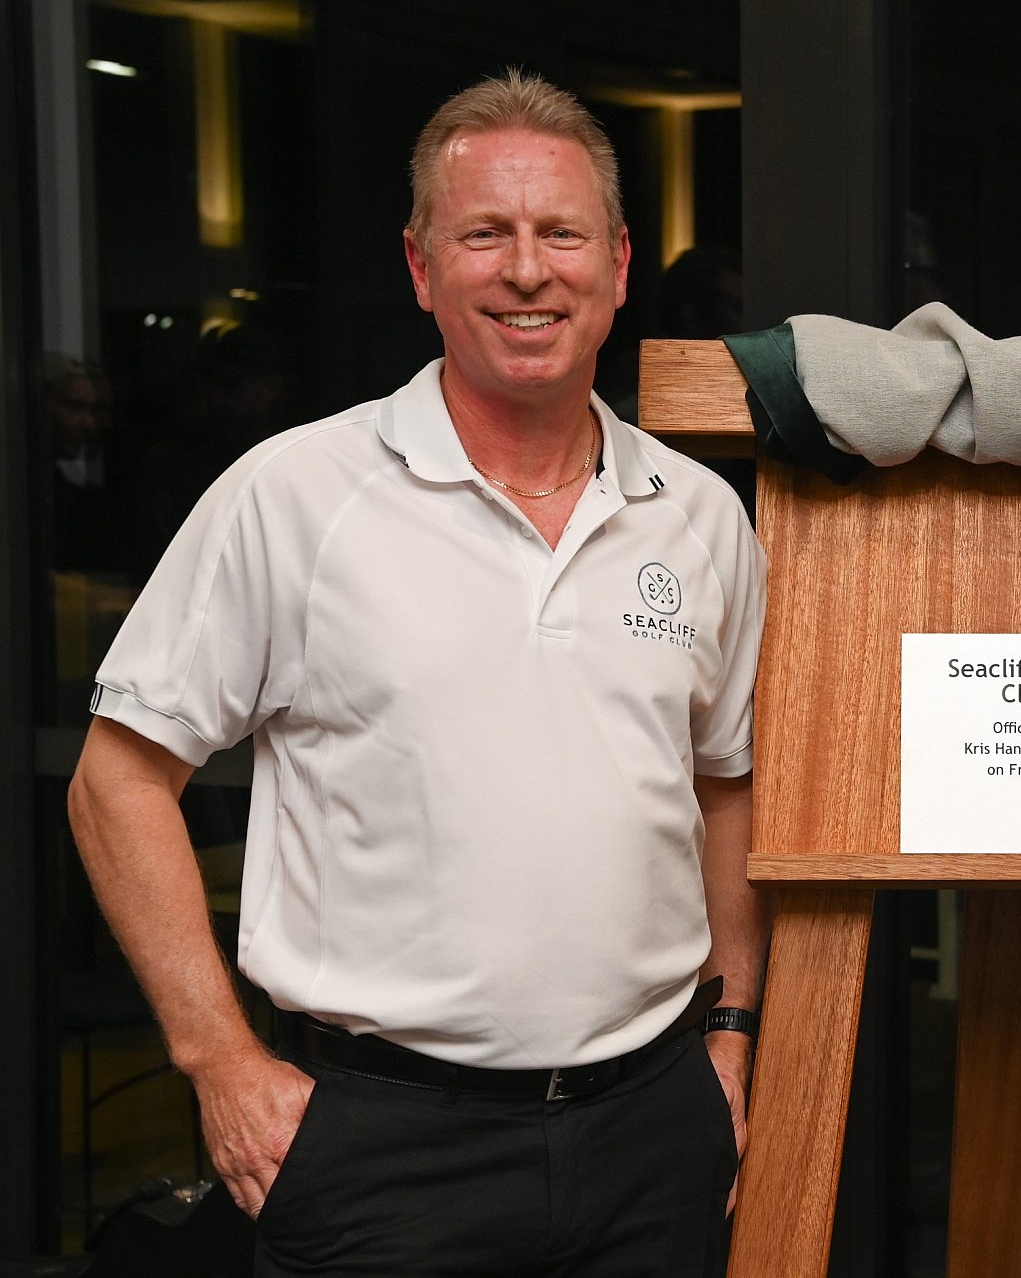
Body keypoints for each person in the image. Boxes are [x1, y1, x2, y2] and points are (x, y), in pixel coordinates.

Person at [67, 70, 767, 1276]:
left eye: (561, 234)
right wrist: (219, 1061)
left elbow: (726, 785)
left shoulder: (698, 515)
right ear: (420, 265)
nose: (528, 271)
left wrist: (731, 1036)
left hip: (652, 1136)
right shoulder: (294, 496)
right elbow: (115, 784)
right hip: (381, 1147)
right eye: (484, 234)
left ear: (615, 264)